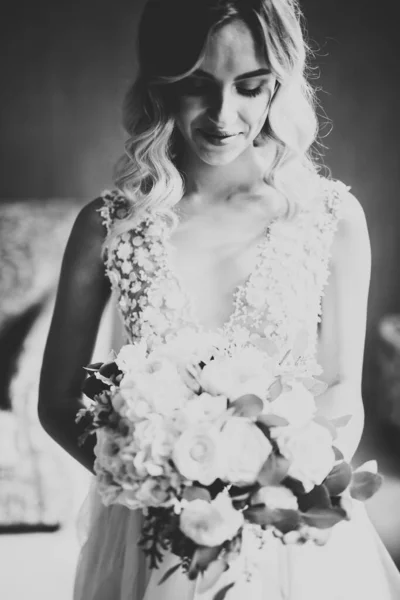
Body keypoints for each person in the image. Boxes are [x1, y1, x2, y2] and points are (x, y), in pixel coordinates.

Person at [38, 0, 400, 598]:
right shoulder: (110, 226)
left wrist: (275, 494)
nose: (223, 114)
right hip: (149, 532)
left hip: (287, 536)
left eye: (251, 87)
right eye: (196, 86)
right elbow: (57, 402)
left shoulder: (329, 217)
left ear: (278, 83)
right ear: (160, 83)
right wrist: (155, 486)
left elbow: (341, 388)